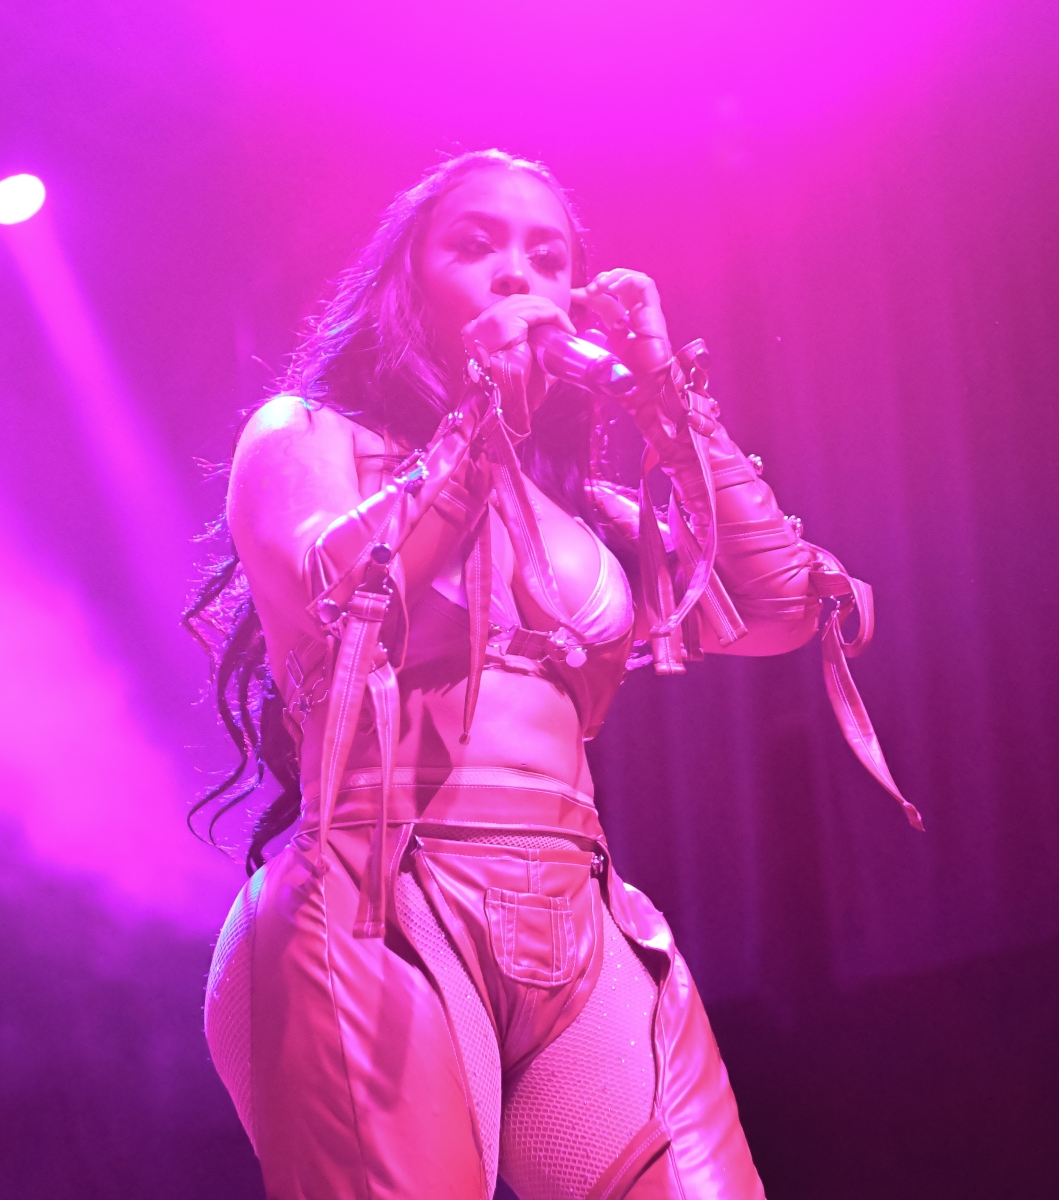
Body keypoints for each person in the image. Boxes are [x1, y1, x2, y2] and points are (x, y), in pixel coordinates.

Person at [188, 149, 916, 1200]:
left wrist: (665, 396)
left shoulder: (573, 513)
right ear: (407, 283)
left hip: (577, 911)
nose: (516, 273)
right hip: (377, 901)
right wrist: (478, 425)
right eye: (476, 245)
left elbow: (783, 605)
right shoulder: (306, 436)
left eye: (548, 255)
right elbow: (342, 600)